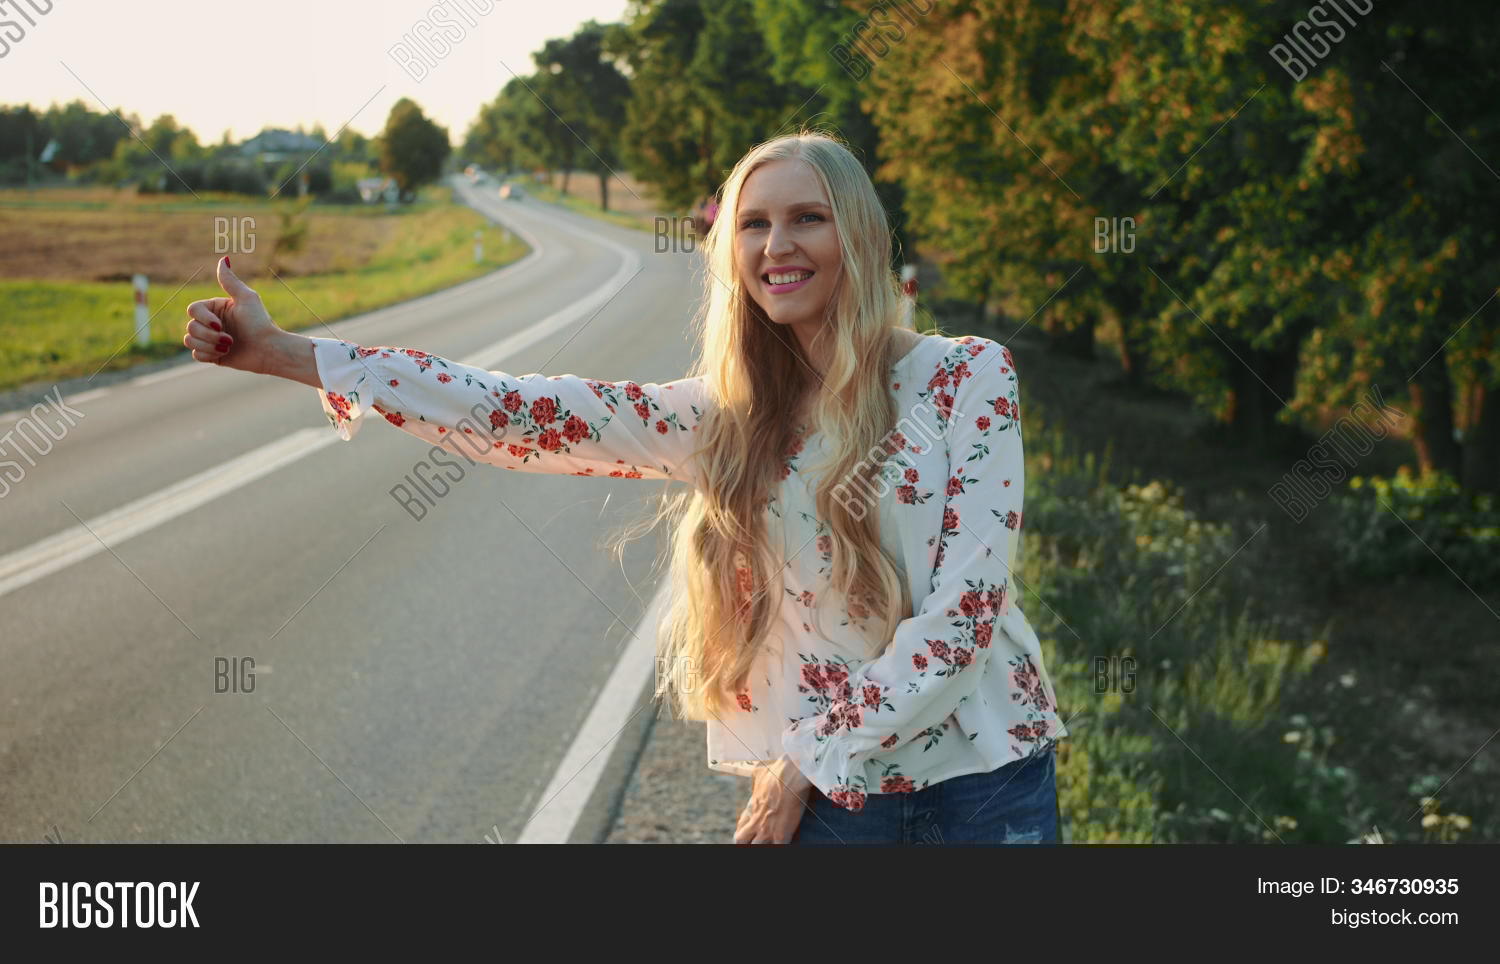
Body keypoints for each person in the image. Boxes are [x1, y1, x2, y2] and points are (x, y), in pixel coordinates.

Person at [180, 130, 1067, 845]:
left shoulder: (966, 378)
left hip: (982, 784)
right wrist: (288, 354)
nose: (777, 246)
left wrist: (806, 758)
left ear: (861, 238)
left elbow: (964, 619)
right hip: (836, 804)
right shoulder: (722, 419)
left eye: (809, 218)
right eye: (753, 225)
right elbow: (516, 411)